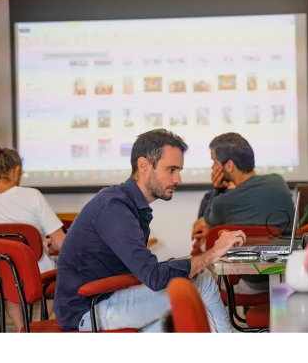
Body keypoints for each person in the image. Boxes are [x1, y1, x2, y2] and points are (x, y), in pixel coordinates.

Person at [54, 129, 246, 332]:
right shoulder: (114, 207)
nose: (178, 179)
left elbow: (144, 270)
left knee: (173, 324)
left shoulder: (129, 205)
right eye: (171, 169)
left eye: (179, 170)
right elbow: (153, 277)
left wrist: (185, 267)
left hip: (107, 299)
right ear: (144, 165)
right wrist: (213, 254)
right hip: (89, 311)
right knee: (204, 281)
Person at [0, 145, 66, 332]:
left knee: (8, 276)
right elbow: (63, 243)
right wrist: (44, 245)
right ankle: (36, 326)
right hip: (38, 275)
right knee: (62, 276)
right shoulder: (32, 196)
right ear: (16, 171)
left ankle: (22, 328)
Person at [191, 133, 295, 296]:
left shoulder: (222, 203)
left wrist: (217, 190)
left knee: (199, 263)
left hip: (250, 284)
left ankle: (214, 321)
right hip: (285, 277)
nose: (212, 168)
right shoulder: (278, 181)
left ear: (230, 165)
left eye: (214, 162)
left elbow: (201, 226)